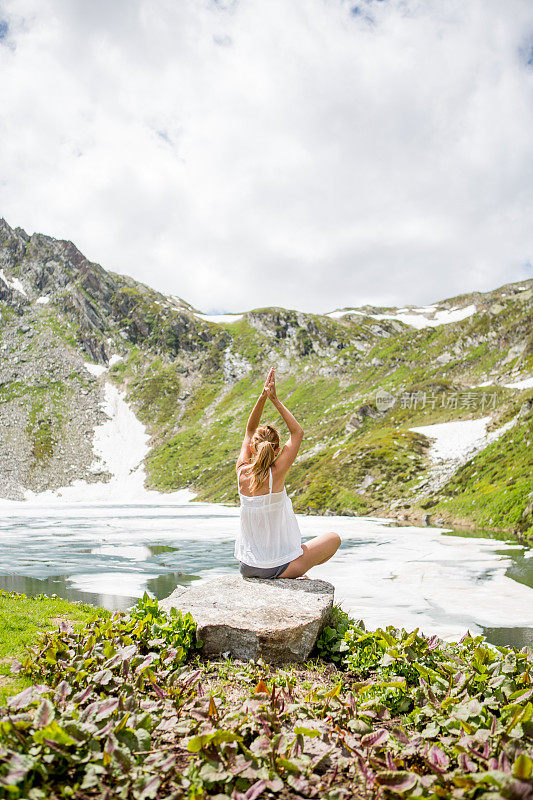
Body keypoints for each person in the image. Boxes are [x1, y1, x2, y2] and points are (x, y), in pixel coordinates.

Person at [234, 367, 341, 579]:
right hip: (277, 568)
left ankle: (295, 571)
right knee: (334, 538)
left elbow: (249, 430)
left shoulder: (241, 472)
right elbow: (297, 432)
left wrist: (262, 397)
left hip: (247, 567)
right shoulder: (277, 472)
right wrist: (275, 399)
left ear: (252, 449)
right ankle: (296, 574)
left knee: (298, 549)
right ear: (276, 450)